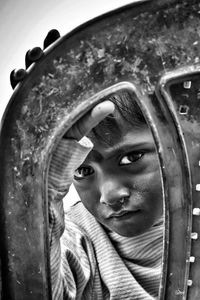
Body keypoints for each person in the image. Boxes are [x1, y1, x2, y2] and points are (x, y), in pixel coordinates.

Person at [48, 90, 163, 300]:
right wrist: (36, 200)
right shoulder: (76, 239)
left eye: (132, 157)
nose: (109, 196)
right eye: (83, 171)